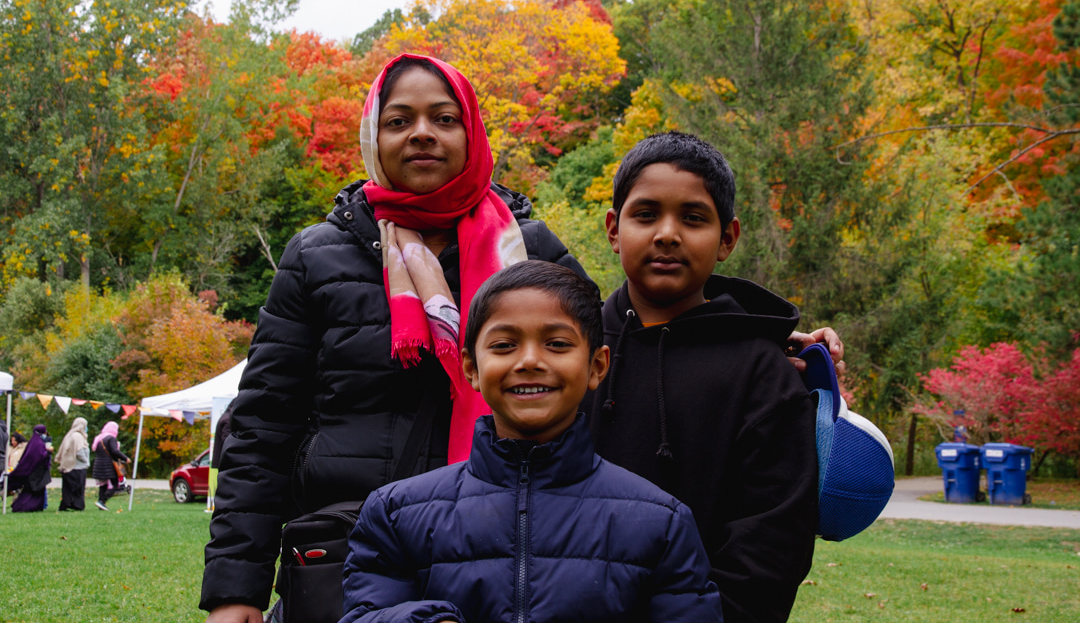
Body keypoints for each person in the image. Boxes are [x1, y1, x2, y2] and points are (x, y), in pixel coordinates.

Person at [202, 54, 591, 623]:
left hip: (511, 556)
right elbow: (263, 429)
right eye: (399, 120)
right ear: (373, 136)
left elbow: (599, 387)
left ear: (472, 133)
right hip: (351, 559)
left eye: (444, 118)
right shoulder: (315, 257)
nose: (422, 134)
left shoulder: (532, 253)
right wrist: (236, 593)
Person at [340, 260, 723, 623]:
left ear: (597, 366)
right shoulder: (396, 514)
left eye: (556, 344)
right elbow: (365, 613)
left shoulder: (661, 522)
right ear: (471, 368)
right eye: (504, 345)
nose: (529, 361)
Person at [584, 131, 820, 623]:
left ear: (727, 238)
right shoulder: (573, 350)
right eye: (645, 214)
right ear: (613, 229)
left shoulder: (764, 371)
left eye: (693, 218)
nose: (667, 233)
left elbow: (774, 540)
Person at [7, 424, 51, 512]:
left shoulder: (33, 442)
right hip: (36, 472)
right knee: (33, 491)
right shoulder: (38, 443)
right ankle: (24, 506)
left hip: (33, 471)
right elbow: (39, 456)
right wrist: (48, 452)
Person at [91, 421, 130, 511]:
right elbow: (114, 451)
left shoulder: (99, 438)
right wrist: (125, 458)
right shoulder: (111, 438)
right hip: (108, 465)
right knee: (115, 484)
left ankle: (101, 503)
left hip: (98, 464)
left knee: (103, 485)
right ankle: (102, 500)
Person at [57, 417, 90, 511]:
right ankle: (76, 505)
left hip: (70, 466)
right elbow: (79, 451)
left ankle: (67, 504)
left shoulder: (70, 435)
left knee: (68, 488)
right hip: (77, 467)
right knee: (77, 488)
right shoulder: (77, 436)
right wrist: (86, 461)